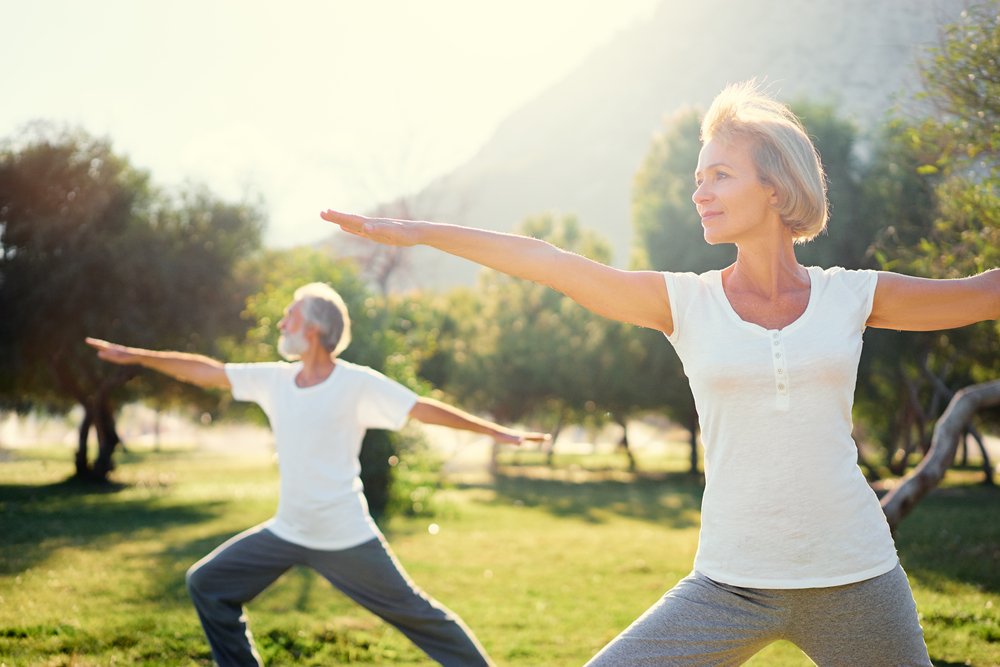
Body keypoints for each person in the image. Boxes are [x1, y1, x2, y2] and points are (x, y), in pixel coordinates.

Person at [321, 81, 999, 666]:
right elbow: (551, 262)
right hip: (731, 583)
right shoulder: (686, 303)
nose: (699, 192)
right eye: (696, 177)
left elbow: (983, 291)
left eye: (719, 175)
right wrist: (421, 231)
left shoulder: (850, 294)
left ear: (775, 185)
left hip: (856, 575)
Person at [86, 282, 548, 667]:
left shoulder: (356, 383)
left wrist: (498, 433)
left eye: (289, 316)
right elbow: (208, 372)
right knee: (207, 584)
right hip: (288, 529)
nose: (281, 323)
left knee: (419, 616)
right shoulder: (275, 379)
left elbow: (421, 409)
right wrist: (138, 356)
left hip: (344, 535)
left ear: (313, 330)